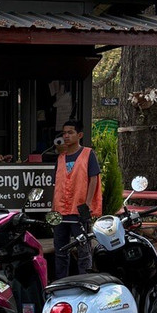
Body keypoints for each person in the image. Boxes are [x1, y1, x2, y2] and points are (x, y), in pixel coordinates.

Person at [50, 119, 102, 278]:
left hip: (79, 210)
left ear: (79, 135)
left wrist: (87, 204)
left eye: (70, 132)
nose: (66, 136)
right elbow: (57, 184)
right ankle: (61, 282)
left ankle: (84, 281)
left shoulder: (88, 154)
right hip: (60, 210)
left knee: (83, 250)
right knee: (60, 250)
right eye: (64, 133)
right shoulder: (60, 158)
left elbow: (93, 179)